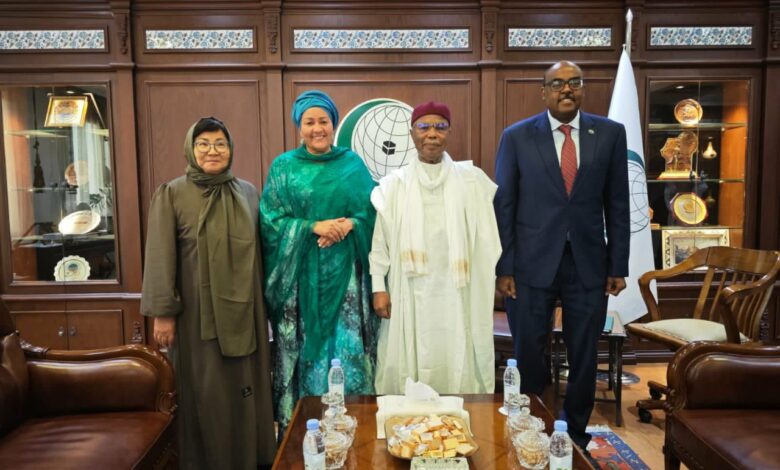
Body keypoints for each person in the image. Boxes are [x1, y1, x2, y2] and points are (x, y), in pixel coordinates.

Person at [493, 60, 630, 451]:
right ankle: (532, 427)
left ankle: (575, 434)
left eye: (574, 82)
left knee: (584, 353)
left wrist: (618, 264)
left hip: (588, 263)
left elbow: (618, 203)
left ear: (583, 88)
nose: (566, 89)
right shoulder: (517, 137)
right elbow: (504, 204)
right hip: (530, 264)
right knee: (528, 351)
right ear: (544, 92)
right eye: (557, 84)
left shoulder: (609, 134)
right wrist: (504, 267)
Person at [141, 117, 276, 469]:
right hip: (196, 314)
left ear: (230, 149)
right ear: (191, 148)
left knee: (245, 389)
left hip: (245, 313)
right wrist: (163, 313)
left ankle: (250, 459)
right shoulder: (172, 194)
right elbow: (159, 255)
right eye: (203, 144)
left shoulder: (248, 192)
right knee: (205, 391)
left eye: (220, 144)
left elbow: (264, 252)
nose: (212, 151)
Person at [260, 90, 378, 432]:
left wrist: (349, 225)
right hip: (300, 281)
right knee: (306, 352)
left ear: (333, 124)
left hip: (348, 280)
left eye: (323, 121)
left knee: (347, 348)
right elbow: (270, 220)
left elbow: (372, 212)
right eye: (309, 122)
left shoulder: (352, 164)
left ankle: (356, 428)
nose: (317, 129)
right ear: (299, 127)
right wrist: (312, 226)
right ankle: (303, 430)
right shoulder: (284, 167)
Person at [370, 101, 502, 395]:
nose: (432, 134)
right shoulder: (394, 185)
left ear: (449, 132)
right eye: (424, 127)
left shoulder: (472, 181)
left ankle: (458, 412)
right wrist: (379, 286)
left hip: (458, 290)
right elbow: (380, 244)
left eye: (440, 127)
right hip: (409, 288)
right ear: (412, 133)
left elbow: (488, 241)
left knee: (455, 356)